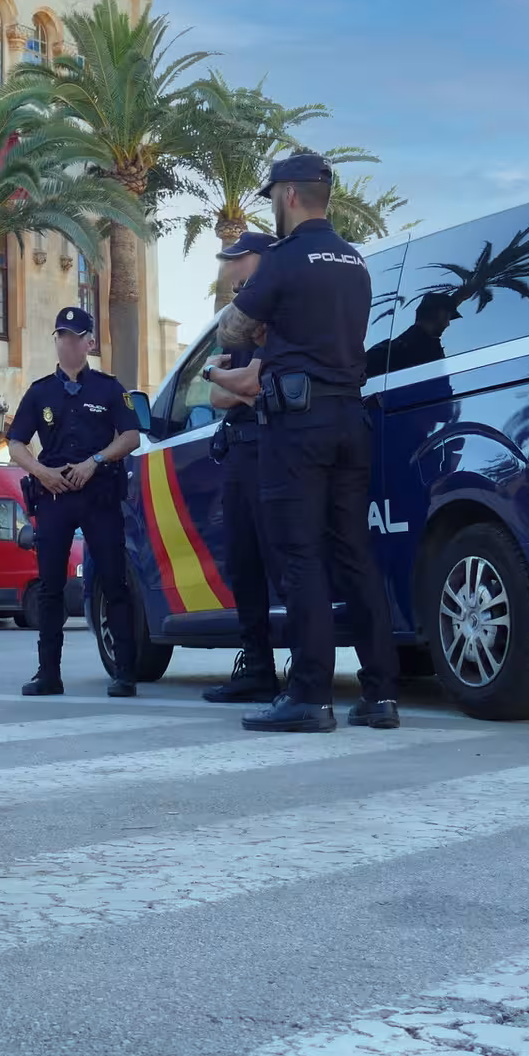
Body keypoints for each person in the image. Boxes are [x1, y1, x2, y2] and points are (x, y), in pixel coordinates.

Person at [204, 153, 401, 731]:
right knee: (354, 557)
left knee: (301, 557)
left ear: (289, 196)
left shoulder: (286, 261)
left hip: (298, 424)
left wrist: (264, 324)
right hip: (349, 418)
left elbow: (230, 329)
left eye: (272, 198)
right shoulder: (355, 261)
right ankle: (380, 696)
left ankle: (310, 697)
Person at [5, 307, 143, 696]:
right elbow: (16, 443)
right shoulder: (39, 392)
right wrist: (40, 472)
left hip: (98, 493)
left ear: (89, 343)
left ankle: (125, 673)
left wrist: (94, 461)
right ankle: (48, 673)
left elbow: (130, 435)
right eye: (61, 336)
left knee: (114, 582)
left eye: (75, 336)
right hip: (54, 495)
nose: (67, 343)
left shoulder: (109, 388)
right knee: (49, 587)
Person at [200, 229, 282, 704]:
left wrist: (238, 384)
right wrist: (239, 385)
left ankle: (305, 664)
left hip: (270, 449)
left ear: (262, 259)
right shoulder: (235, 320)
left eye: (238, 259)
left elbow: (251, 385)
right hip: (238, 451)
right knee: (243, 563)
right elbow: (215, 394)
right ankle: (256, 666)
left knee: (281, 560)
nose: (230, 270)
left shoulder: (277, 311)